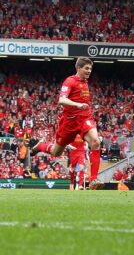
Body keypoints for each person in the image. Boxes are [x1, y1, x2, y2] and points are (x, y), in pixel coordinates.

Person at [31, 58, 103, 189]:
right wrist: (78, 104)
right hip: (69, 122)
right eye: (86, 68)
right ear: (79, 68)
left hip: (84, 119)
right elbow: (61, 100)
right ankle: (41, 146)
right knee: (56, 152)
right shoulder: (70, 81)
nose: (89, 71)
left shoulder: (85, 82)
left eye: (90, 69)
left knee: (96, 142)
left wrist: (82, 107)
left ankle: (93, 180)